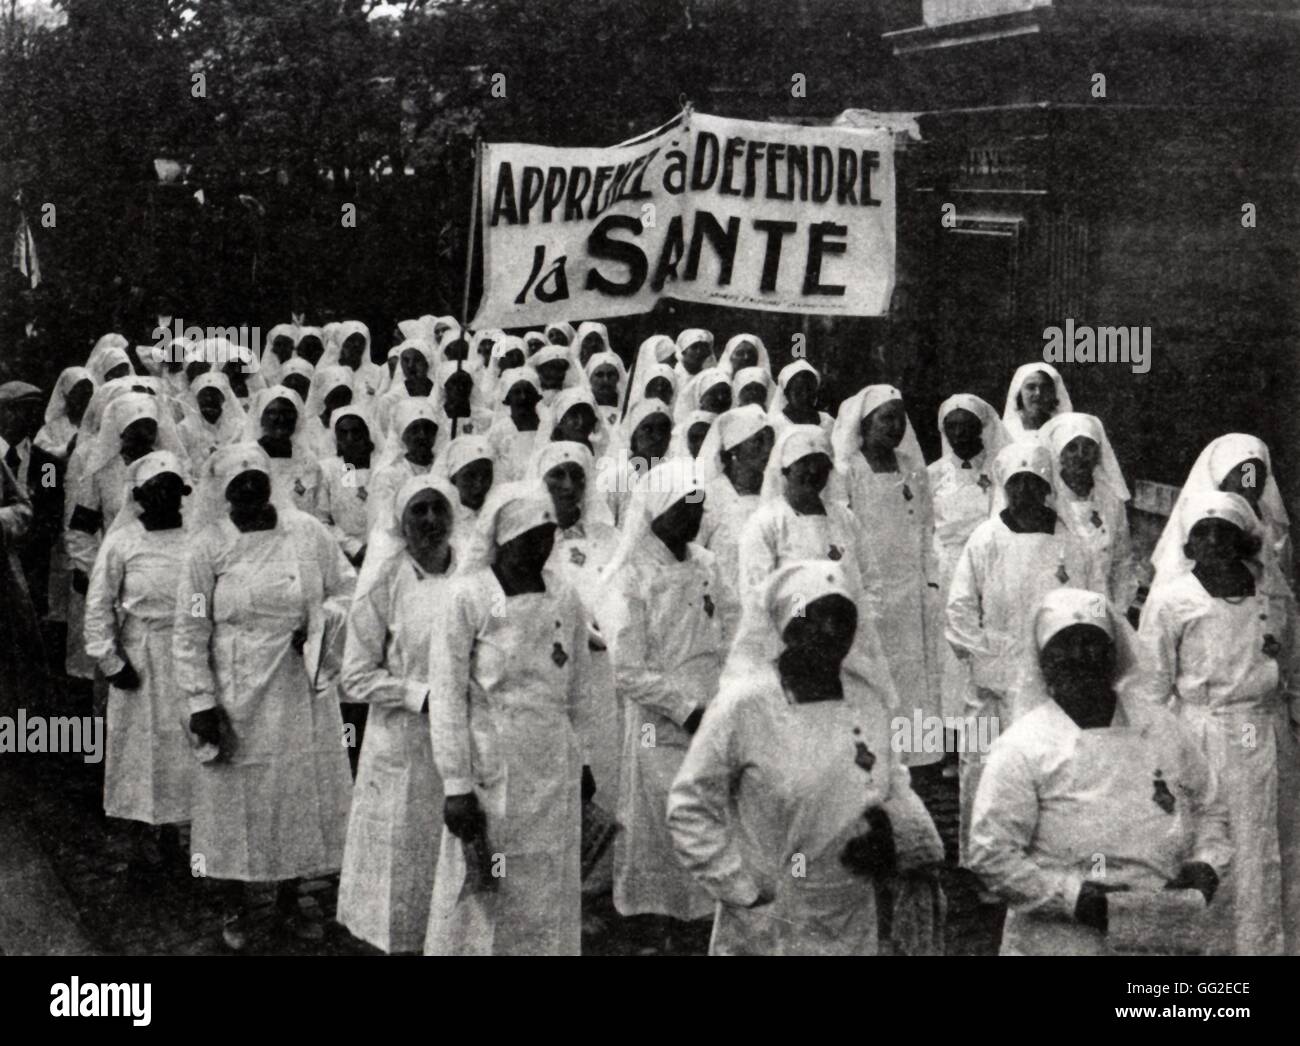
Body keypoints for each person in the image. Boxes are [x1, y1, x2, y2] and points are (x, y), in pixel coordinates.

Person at [668, 561, 942, 955]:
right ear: (788, 627)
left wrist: (891, 835)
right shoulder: (745, 706)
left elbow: (892, 784)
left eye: (842, 618)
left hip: (852, 915)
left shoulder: (868, 700)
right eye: (816, 618)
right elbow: (689, 807)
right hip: (770, 921)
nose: (831, 631)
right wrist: (741, 887)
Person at [969, 587, 1230, 955]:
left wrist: (1206, 863)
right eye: (1063, 646)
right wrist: (1073, 898)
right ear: (1044, 663)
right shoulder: (1022, 746)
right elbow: (991, 854)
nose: (1079, 658)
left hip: (1158, 928)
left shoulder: (1162, 729)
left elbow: (1211, 806)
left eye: (1092, 643)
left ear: (1114, 654)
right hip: (1061, 940)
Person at [173, 442, 355, 951]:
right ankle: (235, 900)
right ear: (224, 493)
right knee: (235, 797)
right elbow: (189, 629)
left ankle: (291, 896)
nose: (250, 491)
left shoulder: (308, 533)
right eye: (238, 485)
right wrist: (199, 701)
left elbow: (347, 588)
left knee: (296, 790)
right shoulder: (206, 548)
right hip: (235, 691)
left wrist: (321, 626)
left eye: (257, 480)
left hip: (298, 686)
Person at [424, 484, 595, 955]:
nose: (539, 548)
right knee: (491, 884)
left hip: (552, 764)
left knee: (546, 882)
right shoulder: (468, 596)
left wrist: (582, 761)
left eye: (547, 536)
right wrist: (456, 784)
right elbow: (447, 696)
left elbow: (578, 690)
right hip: (492, 765)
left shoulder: (564, 595)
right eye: (528, 538)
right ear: (503, 538)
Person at [1136, 491, 1300, 954]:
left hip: (1262, 732)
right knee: (1212, 845)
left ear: (1242, 539)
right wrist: (1159, 761)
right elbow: (1150, 689)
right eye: (1201, 534)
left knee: (1264, 845)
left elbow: (1292, 668)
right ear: (1187, 544)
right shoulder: (1173, 601)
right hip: (1203, 736)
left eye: (1223, 532)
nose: (1213, 542)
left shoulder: (1270, 597)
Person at [945, 442, 1104, 868]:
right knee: (984, 766)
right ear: (1004, 487)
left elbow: (1092, 605)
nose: (1025, 494)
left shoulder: (1071, 542)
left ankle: (1042, 861)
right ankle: (981, 861)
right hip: (992, 681)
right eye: (1016, 485)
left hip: (1055, 678)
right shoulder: (986, 539)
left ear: (1047, 486)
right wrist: (988, 665)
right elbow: (960, 608)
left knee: (1046, 769)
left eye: (1034, 484)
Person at [337, 474, 460, 954]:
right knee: (402, 856)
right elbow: (355, 675)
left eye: (438, 509)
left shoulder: (471, 574)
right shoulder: (384, 580)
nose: (430, 520)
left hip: (462, 738)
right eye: (419, 511)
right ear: (401, 520)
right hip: (404, 740)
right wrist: (419, 695)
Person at [602, 461, 721, 950]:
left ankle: (705, 916)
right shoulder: (630, 575)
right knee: (660, 818)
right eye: (682, 509)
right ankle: (656, 921)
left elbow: (733, 629)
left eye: (698, 508)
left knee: (708, 813)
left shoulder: (708, 565)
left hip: (712, 711)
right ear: (657, 511)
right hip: (660, 721)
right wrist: (684, 707)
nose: (693, 519)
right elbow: (627, 669)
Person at [83, 450, 193, 872]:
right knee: (138, 752)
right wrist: (111, 661)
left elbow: (202, 596)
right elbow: (99, 605)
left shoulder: (196, 539)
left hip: (184, 655)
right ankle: (137, 845)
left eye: (171, 487)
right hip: (140, 658)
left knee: (182, 750)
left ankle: (173, 838)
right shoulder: (123, 541)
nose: (163, 495)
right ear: (140, 494)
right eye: (154, 488)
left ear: (183, 492)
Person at [833, 385, 943, 770]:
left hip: (911, 594)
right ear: (865, 423)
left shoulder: (914, 470)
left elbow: (927, 528)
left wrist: (930, 581)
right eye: (886, 417)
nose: (894, 426)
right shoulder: (848, 471)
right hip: (871, 593)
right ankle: (875, 761)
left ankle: (918, 761)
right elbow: (843, 536)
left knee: (914, 678)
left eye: (900, 417)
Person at [929, 395, 1009, 726]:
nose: (960, 433)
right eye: (952, 426)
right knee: (949, 655)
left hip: (988, 566)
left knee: (984, 649)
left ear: (982, 428)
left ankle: (982, 734)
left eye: (967, 426)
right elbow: (924, 526)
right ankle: (949, 735)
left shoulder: (998, 470)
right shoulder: (932, 474)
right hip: (946, 568)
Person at [1151, 432, 1292, 587]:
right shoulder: (1199, 528)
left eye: (1257, 482)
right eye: (1241, 488)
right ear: (1220, 481)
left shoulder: (1271, 526)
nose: (1248, 493)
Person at [695, 405, 775, 651]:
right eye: (757, 442)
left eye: (770, 442)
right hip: (722, 627)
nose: (767, 450)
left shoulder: (780, 495)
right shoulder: (706, 496)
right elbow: (691, 559)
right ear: (734, 449)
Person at [1039, 412, 1135, 611]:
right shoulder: (1045, 498)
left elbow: (1122, 562)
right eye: (1072, 448)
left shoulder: (1111, 501)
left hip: (1097, 604)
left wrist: (1118, 612)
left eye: (1089, 447)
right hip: (1054, 606)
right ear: (1060, 454)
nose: (1080, 455)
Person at [242, 385, 325, 520]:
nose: (281, 419)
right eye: (272, 413)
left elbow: (320, 513)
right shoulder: (245, 460)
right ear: (261, 418)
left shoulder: (308, 461)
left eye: (288, 413)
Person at [318, 407, 380, 567]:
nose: (350, 438)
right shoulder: (329, 470)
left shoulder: (384, 467)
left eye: (356, 432)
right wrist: (354, 548)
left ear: (367, 434)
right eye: (343, 434)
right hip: (346, 559)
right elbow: (322, 520)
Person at [368, 398, 439, 531]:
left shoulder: (443, 469)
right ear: (402, 435)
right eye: (414, 430)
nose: (422, 435)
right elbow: (384, 526)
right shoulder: (388, 476)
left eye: (428, 428)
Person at [604, 399, 673, 527]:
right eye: (647, 429)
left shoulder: (675, 480)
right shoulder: (615, 479)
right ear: (634, 434)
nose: (657, 436)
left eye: (663, 429)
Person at [436, 435, 495, 558]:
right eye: (470, 476)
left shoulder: (497, 517)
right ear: (453, 478)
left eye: (486, 475)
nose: (479, 484)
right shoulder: (440, 525)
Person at [487, 366, 546, 484]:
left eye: (528, 392)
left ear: (536, 397)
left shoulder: (547, 428)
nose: (523, 397)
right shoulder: (498, 432)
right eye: (517, 392)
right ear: (507, 398)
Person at [179, 372, 246, 467]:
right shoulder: (185, 428)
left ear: (223, 398)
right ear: (197, 399)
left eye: (214, 394)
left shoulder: (238, 427)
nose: (209, 399)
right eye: (204, 395)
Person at [1001, 362, 1072, 441]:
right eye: (1031, 387)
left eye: (1045, 388)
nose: (1038, 393)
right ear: (1019, 392)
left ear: (1054, 392)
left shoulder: (1065, 430)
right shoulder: (1005, 433)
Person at [767, 360, 833, 437]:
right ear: (787, 394)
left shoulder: (827, 422)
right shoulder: (776, 425)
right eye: (798, 391)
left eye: (810, 389)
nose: (805, 396)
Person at [584, 350, 627, 431]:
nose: (606, 380)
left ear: (618, 377)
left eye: (611, 375)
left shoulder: (627, 403)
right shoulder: (584, 405)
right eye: (599, 375)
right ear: (590, 378)